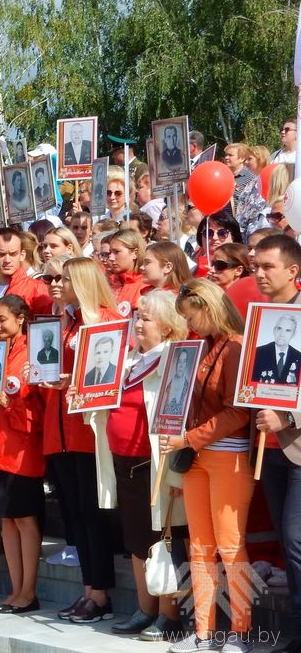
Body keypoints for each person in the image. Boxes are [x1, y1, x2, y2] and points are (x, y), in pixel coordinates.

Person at [163, 279, 255, 653]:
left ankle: (242, 631)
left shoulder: (233, 347)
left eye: (192, 316)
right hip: (200, 454)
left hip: (227, 454)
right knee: (200, 545)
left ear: (209, 308)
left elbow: (239, 412)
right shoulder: (201, 346)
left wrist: (188, 438)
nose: (189, 324)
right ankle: (204, 631)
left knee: (230, 544)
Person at [105, 290, 189, 639]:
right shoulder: (127, 360)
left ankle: (169, 615)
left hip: (156, 464)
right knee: (137, 539)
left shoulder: (174, 360)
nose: (137, 324)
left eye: (146, 319)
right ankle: (145, 608)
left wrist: (174, 473)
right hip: (124, 461)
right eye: (136, 317)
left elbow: (176, 417)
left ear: (168, 327)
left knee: (164, 540)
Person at [48, 257, 121, 623]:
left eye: (67, 279)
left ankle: (101, 593)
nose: (60, 284)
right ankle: (88, 589)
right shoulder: (70, 321)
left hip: (89, 430)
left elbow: (107, 375)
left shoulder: (104, 320)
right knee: (77, 513)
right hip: (65, 428)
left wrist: (74, 382)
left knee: (93, 514)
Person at [249, 234, 301, 653]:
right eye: (256, 266)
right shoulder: (260, 319)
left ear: (292, 271)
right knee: (288, 544)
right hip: (268, 449)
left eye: (268, 267)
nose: (259, 274)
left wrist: (287, 417)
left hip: (298, 445)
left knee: (296, 538)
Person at [0, 296, 43, 614]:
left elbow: (38, 406)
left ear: (20, 319)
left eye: (2, 319)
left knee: (24, 518)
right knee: (6, 520)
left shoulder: (30, 352)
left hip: (21, 448)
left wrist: (11, 405)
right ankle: (16, 588)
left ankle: (28, 591)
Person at [251, 314, 301, 384]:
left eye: (288, 330)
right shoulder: (257, 353)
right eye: (279, 328)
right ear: (274, 330)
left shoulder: (298, 357)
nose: (282, 334)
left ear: (293, 334)